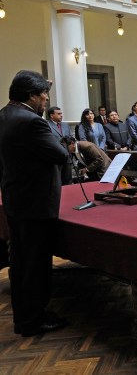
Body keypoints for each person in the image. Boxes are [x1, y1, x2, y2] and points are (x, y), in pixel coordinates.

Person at [0, 70, 69, 337]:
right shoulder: (32, 122)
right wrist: (62, 143)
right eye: (44, 95)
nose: (46, 100)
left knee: (20, 263)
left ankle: (25, 316)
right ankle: (34, 321)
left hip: (15, 200)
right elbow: (60, 155)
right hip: (36, 205)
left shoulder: (5, 115)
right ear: (31, 95)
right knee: (36, 266)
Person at [47, 106, 73, 185]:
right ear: (52, 115)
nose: (61, 115)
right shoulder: (47, 124)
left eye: (61, 113)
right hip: (56, 157)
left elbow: (71, 137)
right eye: (58, 114)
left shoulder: (65, 125)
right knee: (57, 182)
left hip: (67, 156)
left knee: (68, 180)